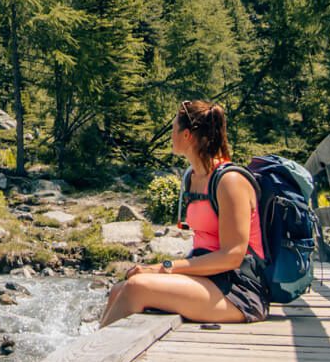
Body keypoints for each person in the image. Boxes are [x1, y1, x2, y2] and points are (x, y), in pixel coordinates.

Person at [99, 100, 269, 327]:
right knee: (117, 290)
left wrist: (165, 267)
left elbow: (232, 256)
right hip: (208, 279)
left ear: (187, 135)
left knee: (136, 288)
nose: (171, 136)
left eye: (173, 129)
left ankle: (89, 361)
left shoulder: (230, 181)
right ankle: (92, 354)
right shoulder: (192, 178)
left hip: (239, 290)